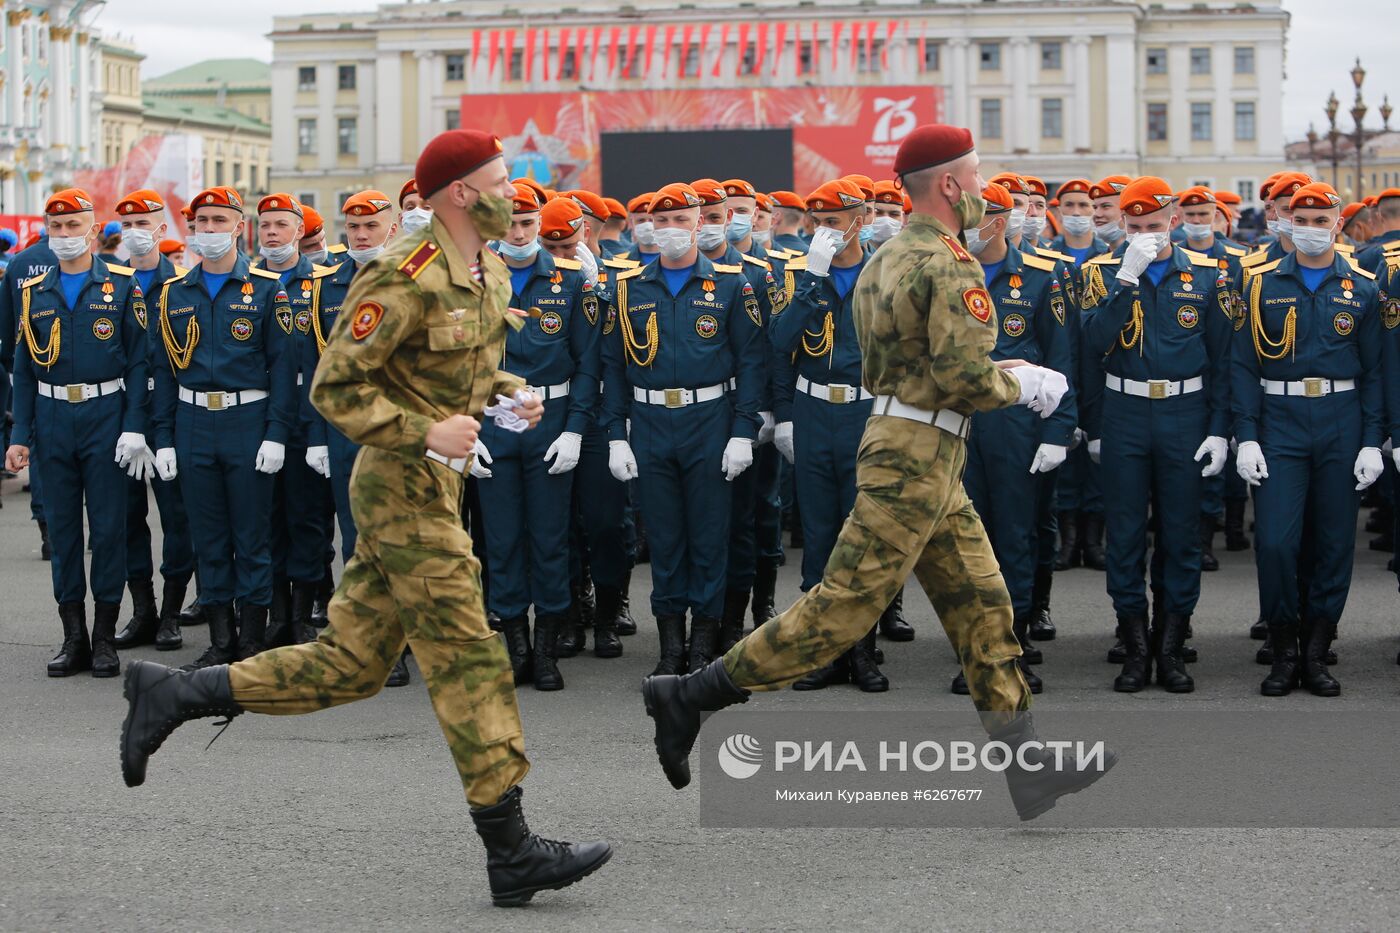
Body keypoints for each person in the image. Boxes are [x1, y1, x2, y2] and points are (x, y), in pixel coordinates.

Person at [119, 128, 612, 908]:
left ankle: (176, 693)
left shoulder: (480, 270)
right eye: (501, 182)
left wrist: (505, 391)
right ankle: (511, 846)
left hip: (435, 482)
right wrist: (428, 431)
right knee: (468, 654)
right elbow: (337, 390)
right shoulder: (404, 274)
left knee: (351, 664)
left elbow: (453, 367)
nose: (515, 195)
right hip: (402, 486)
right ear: (460, 194)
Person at [640, 124, 1114, 824]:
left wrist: (1003, 368)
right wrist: (1025, 387)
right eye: (977, 176)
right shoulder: (949, 262)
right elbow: (958, 374)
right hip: (917, 457)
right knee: (839, 609)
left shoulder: (888, 259)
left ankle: (1027, 766)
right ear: (951, 185)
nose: (985, 190)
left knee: (984, 603)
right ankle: (689, 695)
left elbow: (900, 365)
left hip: (913, 444)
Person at [601, 183, 765, 675]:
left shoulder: (734, 285)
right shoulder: (628, 287)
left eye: (680, 221)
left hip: (710, 421)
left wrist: (743, 430)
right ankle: (671, 647)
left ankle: (703, 645)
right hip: (650, 423)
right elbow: (612, 366)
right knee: (666, 539)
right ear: (648, 227)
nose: (670, 231)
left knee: (710, 536)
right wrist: (614, 433)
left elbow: (752, 362)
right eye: (660, 222)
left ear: (699, 223)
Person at [1080, 177, 1232, 694]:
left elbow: (1223, 363)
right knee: (1123, 534)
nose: (1145, 234)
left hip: (1185, 412)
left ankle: (1170, 645)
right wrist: (1126, 279)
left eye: (1153, 225)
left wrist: (1219, 431)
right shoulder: (1102, 273)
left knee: (1180, 534)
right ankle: (1135, 644)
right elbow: (1093, 345)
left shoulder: (1210, 276)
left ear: (1173, 220)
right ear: (1123, 224)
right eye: (1135, 225)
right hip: (1124, 410)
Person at [1237, 182, 1382, 697]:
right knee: (1276, 540)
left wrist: (1372, 439)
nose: (1314, 229)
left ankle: (1316, 652)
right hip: (1279, 419)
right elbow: (1241, 364)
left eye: (1324, 220)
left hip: (1341, 419)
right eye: (1305, 219)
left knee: (1334, 543)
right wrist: (1245, 436)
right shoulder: (1258, 283)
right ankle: (1283, 649)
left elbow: (1377, 371)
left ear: (1339, 225)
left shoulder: (1363, 286)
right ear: (1287, 222)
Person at [147, 185, 298, 669]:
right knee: (207, 537)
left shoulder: (266, 288)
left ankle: (251, 641)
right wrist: (164, 439)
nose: (208, 230)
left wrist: (277, 433)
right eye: (201, 222)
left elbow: (282, 370)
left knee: (251, 537)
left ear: (239, 227)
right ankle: (220, 639)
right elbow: (165, 373)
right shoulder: (174, 292)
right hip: (192, 422)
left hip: (247, 420)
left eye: (218, 221)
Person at [5, 188, 151, 677]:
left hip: (106, 416)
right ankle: (74, 636)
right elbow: (23, 371)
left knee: (109, 529)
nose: (65, 237)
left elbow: (138, 360)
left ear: (93, 229)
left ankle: (106, 636)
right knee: (64, 533)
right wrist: (19, 434)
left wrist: (135, 427)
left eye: (74, 227)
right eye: (57, 228)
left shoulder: (122, 285)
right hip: (51, 421)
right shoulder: (34, 292)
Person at [474, 187, 599, 690]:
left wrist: (574, 430)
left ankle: (546, 651)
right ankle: (516, 650)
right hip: (492, 418)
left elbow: (590, 363)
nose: (518, 233)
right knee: (501, 540)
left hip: (551, 417)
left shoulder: (570, 280)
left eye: (527, 223)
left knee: (549, 539)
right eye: (509, 223)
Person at [767, 178, 888, 692]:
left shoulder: (886, 272)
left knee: (864, 536)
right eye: (816, 223)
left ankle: (862, 649)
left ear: (859, 221)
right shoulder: (799, 273)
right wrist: (813, 278)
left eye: (833, 222)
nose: (822, 232)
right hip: (815, 411)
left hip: (867, 413)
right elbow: (778, 341)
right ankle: (822, 651)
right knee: (818, 537)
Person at [956, 181, 1076, 695]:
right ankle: (974, 653)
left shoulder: (1044, 277)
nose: (961, 229)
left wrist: (1057, 431)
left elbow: (1063, 359)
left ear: (998, 222)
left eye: (971, 219)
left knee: (1013, 538)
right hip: (954, 418)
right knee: (962, 544)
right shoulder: (942, 273)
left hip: (1012, 421)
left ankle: (1012, 650)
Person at [111, 189, 195, 653]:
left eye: (144, 224)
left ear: (162, 231)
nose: (135, 233)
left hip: (168, 415)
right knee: (126, 518)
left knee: (177, 518)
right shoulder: (111, 283)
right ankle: (141, 609)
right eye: (127, 226)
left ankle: (171, 612)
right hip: (121, 417)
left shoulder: (182, 285)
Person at [253, 194, 334, 653]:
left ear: (299, 231)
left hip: (307, 411)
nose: (272, 233)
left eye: (281, 225)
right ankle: (276, 613)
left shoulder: (321, 283)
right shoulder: (248, 281)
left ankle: (303, 614)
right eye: (265, 225)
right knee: (266, 516)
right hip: (259, 410)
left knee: (306, 515)